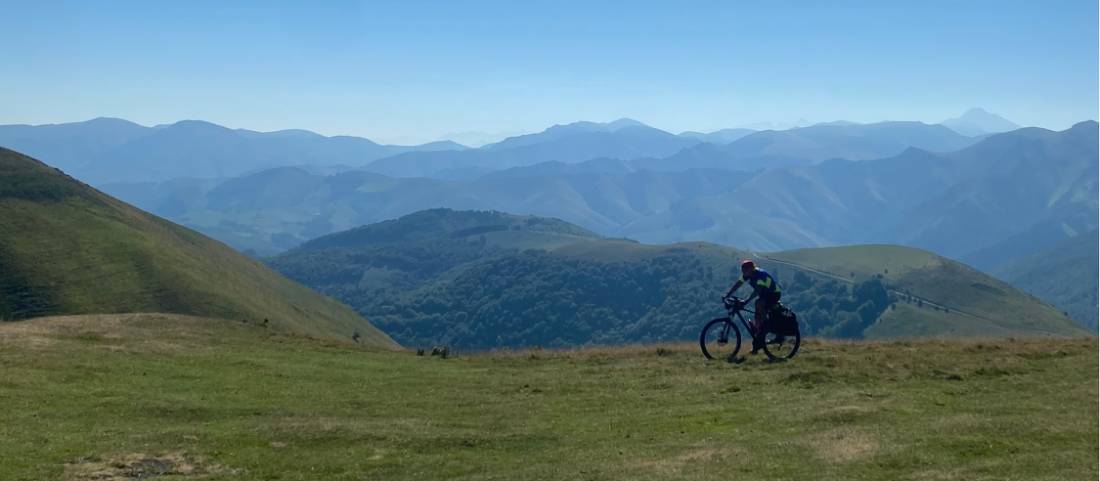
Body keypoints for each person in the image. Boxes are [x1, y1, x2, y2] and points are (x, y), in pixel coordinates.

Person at [723, 259, 782, 354]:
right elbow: (738, 283)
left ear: (751, 269)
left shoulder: (759, 276)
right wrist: (728, 294)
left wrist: (745, 301)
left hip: (774, 294)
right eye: (742, 271)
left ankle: (765, 327)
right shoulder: (748, 274)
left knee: (759, 303)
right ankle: (758, 334)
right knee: (757, 307)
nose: (743, 273)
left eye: (745, 271)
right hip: (765, 293)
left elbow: (757, 291)